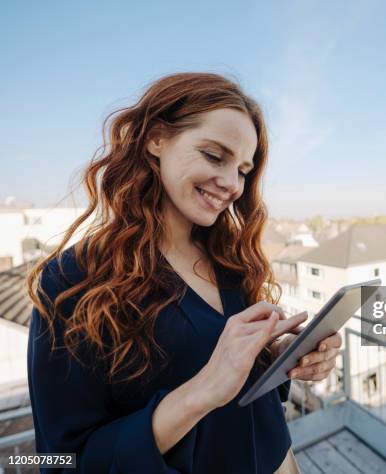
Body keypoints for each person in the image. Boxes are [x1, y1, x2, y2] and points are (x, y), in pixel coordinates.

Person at [26, 72, 342, 473]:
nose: (231, 184)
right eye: (214, 156)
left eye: (243, 170)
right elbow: (61, 460)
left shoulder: (231, 260)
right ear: (157, 139)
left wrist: (278, 359)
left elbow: (235, 381)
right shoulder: (71, 280)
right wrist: (201, 391)